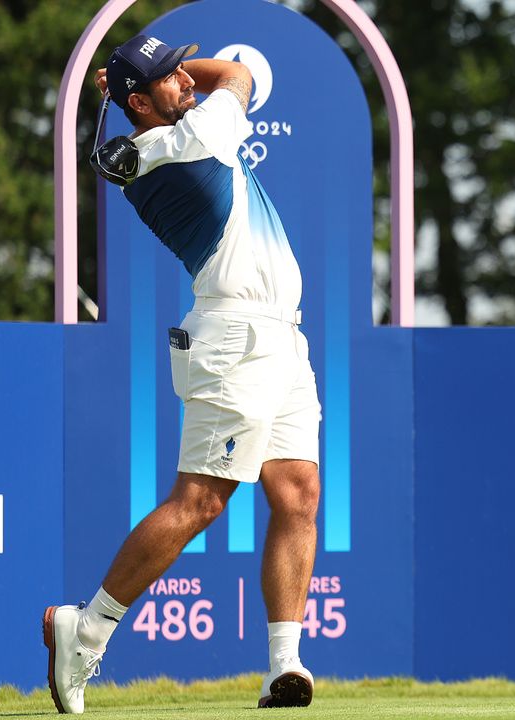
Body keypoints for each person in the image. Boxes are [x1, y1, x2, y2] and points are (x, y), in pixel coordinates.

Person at [43, 33, 322, 714]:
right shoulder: (194, 137)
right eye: (169, 78)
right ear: (140, 101)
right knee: (200, 501)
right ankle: (86, 628)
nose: (186, 83)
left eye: (179, 71)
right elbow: (235, 71)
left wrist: (132, 80)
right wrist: (141, 77)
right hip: (235, 338)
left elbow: (189, 87)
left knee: (297, 491)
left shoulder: (156, 134)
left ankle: (283, 666)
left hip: (278, 336)